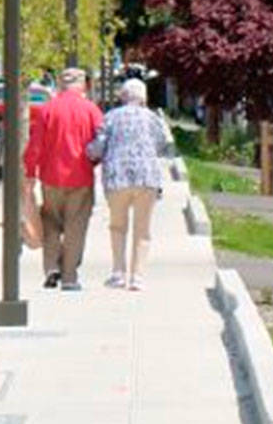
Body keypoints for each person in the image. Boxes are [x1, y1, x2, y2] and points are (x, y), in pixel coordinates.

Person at [23, 67, 104, 291]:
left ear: (60, 85)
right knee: (75, 227)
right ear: (83, 85)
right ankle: (69, 277)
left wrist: (30, 173)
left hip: (50, 177)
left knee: (50, 222)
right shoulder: (91, 110)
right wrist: (97, 163)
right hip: (81, 177)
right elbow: (102, 141)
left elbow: (34, 145)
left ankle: (51, 267)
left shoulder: (47, 109)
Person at [95, 78, 168, 291]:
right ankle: (137, 277)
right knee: (142, 229)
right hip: (147, 178)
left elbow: (99, 145)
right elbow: (162, 144)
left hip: (117, 178)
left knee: (118, 226)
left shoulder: (110, 117)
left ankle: (118, 273)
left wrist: (90, 154)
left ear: (122, 96)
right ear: (143, 97)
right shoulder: (152, 118)